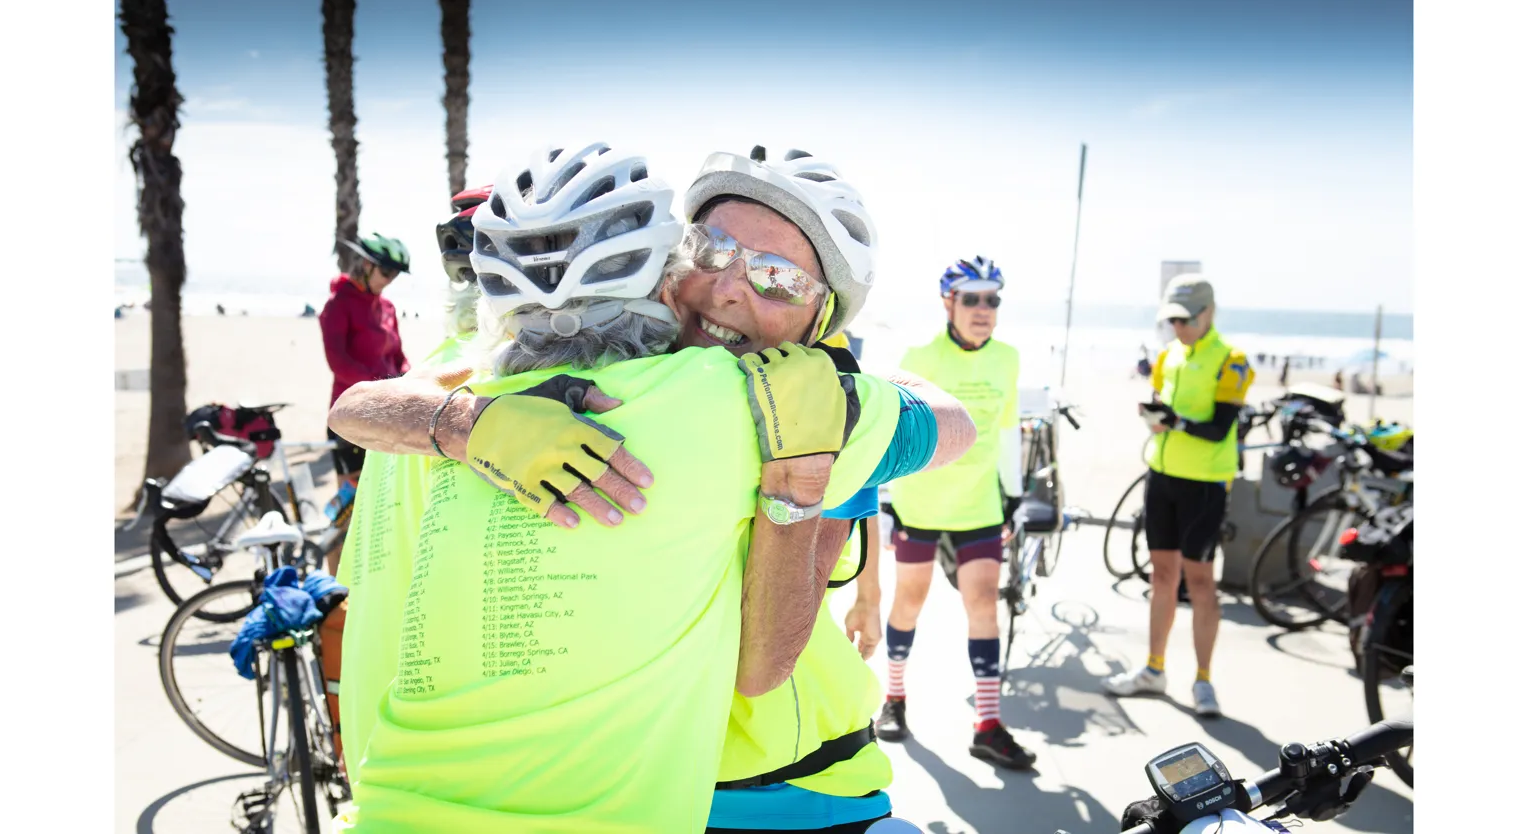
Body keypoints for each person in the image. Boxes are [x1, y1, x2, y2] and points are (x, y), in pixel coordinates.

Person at [334, 144, 974, 833]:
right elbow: (366, 406)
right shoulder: (573, 383)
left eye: (779, 280)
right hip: (648, 791)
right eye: (713, 247)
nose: (730, 288)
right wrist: (467, 423)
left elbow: (764, 662)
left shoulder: (803, 407)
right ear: (665, 259)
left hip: (786, 783)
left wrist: (815, 447)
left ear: (822, 325)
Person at [874, 256, 1034, 770]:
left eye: (993, 299)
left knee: (983, 604)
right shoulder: (919, 357)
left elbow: (1007, 430)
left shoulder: (1007, 358)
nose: (983, 309)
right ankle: (893, 699)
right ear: (950, 302)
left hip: (979, 505)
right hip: (920, 502)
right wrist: (890, 504)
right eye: (972, 298)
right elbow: (898, 432)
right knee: (910, 600)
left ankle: (987, 724)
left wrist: (1012, 495)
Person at [1102, 274, 1254, 717]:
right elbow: (1165, 412)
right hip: (1162, 477)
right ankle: (1154, 669)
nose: (1179, 328)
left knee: (1201, 581)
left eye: (1186, 320)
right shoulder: (1169, 354)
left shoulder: (1233, 359)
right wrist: (1155, 419)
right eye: (1171, 320)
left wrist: (1177, 422)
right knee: (1161, 576)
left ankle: (1204, 680)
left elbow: (1220, 428)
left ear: (1208, 313)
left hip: (1205, 484)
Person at [318, 232, 412, 567]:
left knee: (384, 502)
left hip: (388, 414)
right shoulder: (338, 305)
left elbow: (399, 357)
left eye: (395, 275)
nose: (390, 281)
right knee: (348, 503)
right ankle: (333, 586)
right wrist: (381, 387)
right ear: (367, 265)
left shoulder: (386, 307)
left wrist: (408, 383)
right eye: (386, 273)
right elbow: (339, 363)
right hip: (351, 415)